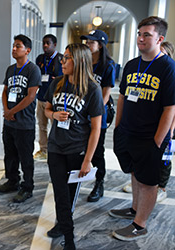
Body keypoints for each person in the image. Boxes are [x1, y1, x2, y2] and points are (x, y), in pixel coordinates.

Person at [111, 16, 175, 241]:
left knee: (149, 182)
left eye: (147, 34)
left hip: (150, 137)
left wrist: (158, 141)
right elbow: (121, 98)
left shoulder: (167, 67)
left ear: (160, 38)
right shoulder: (131, 65)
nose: (141, 38)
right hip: (127, 132)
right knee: (135, 174)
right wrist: (118, 127)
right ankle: (134, 209)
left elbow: (170, 108)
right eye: (139, 34)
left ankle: (140, 224)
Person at [44, 43, 104, 250]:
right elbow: (47, 109)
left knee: (69, 195)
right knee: (61, 194)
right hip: (55, 148)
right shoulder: (58, 83)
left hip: (76, 150)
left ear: (79, 61)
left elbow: (96, 128)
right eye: (63, 57)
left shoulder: (92, 89)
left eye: (67, 58)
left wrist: (88, 160)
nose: (62, 61)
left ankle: (63, 224)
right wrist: (53, 115)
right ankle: (69, 240)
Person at [122, 40, 175, 203]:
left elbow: (171, 108)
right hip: (139, 129)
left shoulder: (169, 70)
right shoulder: (138, 67)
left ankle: (161, 187)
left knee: (163, 161)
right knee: (140, 166)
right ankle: (137, 202)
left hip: (162, 130)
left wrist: (169, 132)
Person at [0, 34, 41, 203]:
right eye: (13, 46)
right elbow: (5, 91)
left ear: (27, 50)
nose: (14, 49)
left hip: (25, 123)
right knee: (10, 154)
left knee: (25, 157)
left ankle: (27, 187)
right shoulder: (10, 69)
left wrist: (12, 111)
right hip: (9, 121)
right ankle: (12, 180)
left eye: (18, 46)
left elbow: (31, 96)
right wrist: (7, 110)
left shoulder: (33, 70)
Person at [80, 30, 116, 202]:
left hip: (97, 116)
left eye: (91, 42)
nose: (87, 44)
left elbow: (105, 95)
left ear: (100, 45)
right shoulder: (84, 62)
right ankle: (77, 179)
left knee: (97, 152)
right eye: (87, 42)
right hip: (80, 112)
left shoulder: (108, 65)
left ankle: (99, 183)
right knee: (79, 148)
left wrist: (93, 113)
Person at [34, 34, 63, 160]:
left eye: (48, 43)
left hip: (54, 100)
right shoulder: (40, 58)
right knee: (41, 126)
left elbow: (62, 79)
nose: (45, 46)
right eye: (44, 43)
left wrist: (56, 80)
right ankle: (43, 150)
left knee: (55, 127)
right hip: (41, 97)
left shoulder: (61, 59)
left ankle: (54, 151)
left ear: (54, 45)